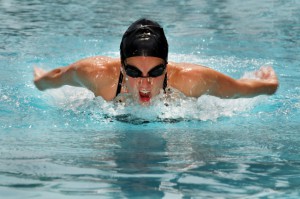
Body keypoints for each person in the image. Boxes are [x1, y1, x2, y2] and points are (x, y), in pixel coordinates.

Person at [34, 18, 278, 106]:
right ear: (121, 66)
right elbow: (56, 77)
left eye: (156, 71)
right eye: (133, 71)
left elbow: (239, 91)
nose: (144, 83)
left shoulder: (192, 80)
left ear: (167, 66)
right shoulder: (96, 75)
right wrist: (40, 81)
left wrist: (269, 85)